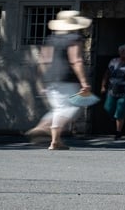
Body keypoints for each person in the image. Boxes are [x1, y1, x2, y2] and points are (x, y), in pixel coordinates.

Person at [27, 10, 93, 150]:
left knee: (59, 109)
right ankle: (44, 127)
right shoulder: (75, 38)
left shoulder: (52, 39)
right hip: (67, 78)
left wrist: (41, 80)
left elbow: (43, 60)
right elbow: (76, 60)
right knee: (72, 108)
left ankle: (55, 141)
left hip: (51, 78)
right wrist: (84, 82)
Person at [100, 43, 125, 140]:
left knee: (120, 112)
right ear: (119, 52)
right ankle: (115, 118)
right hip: (112, 91)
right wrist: (103, 86)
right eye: (122, 51)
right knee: (108, 108)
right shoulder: (113, 61)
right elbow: (107, 73)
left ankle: (118, 132)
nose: (124, 53)